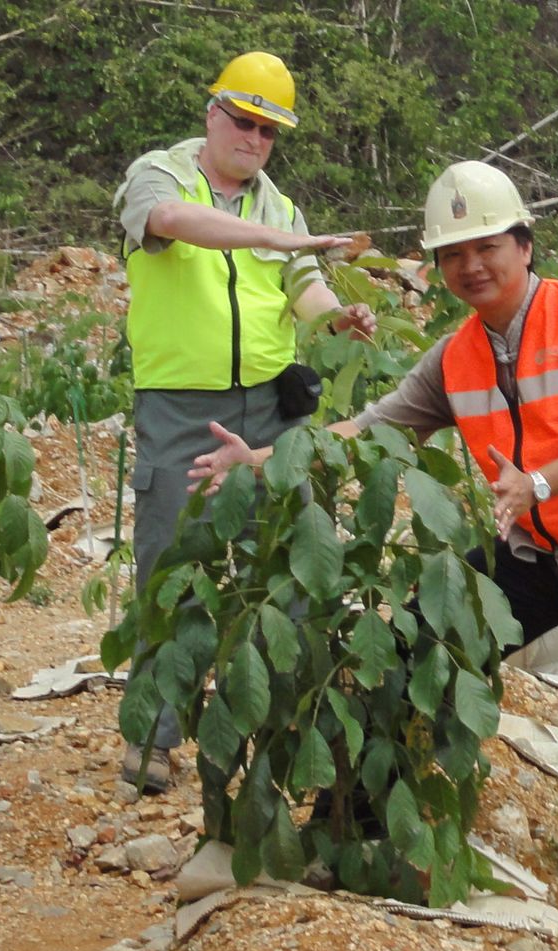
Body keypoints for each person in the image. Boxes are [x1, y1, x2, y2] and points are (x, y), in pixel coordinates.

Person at [189, 162, 558, 951]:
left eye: (486, 247)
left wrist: (541, 479)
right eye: (453, 256)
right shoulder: (457, 355)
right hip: (535, 550)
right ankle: (355, 825)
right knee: (411, 644)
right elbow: (378, 426)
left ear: (523, 243)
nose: (471, 266)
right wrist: (266, 458)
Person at [111, 51, 376, 793]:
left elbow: (304, 284)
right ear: (212, 114)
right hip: (179, 404)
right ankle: (153, 734)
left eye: (268, 131)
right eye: (244, 122)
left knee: (283, 559)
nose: (254, 140)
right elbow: (172, 224)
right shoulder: (161, 175)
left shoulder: (278, 205)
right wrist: (279, 241)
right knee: (171, 565)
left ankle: (279, 721)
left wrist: (338, 316)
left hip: (267, 404)